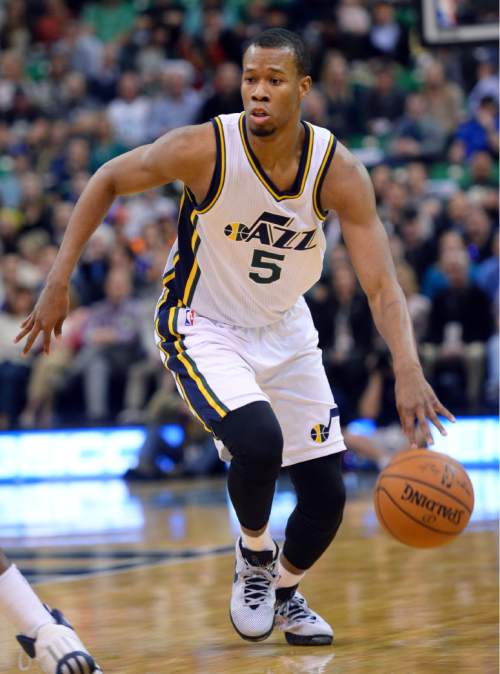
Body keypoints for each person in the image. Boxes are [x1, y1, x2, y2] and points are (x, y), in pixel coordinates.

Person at [14, 28, 453, 662]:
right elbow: (108, 178)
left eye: (274, 80)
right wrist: (58, 282)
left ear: (303, 88)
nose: (258, 91)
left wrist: (407, 367)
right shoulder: (205, 149)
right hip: (202, 322)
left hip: (285, 327)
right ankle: (253, 553)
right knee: (257, 442)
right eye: (250, 78)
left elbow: (383, 285)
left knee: (328, 496)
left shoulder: (339, 172)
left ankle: (285, 591)